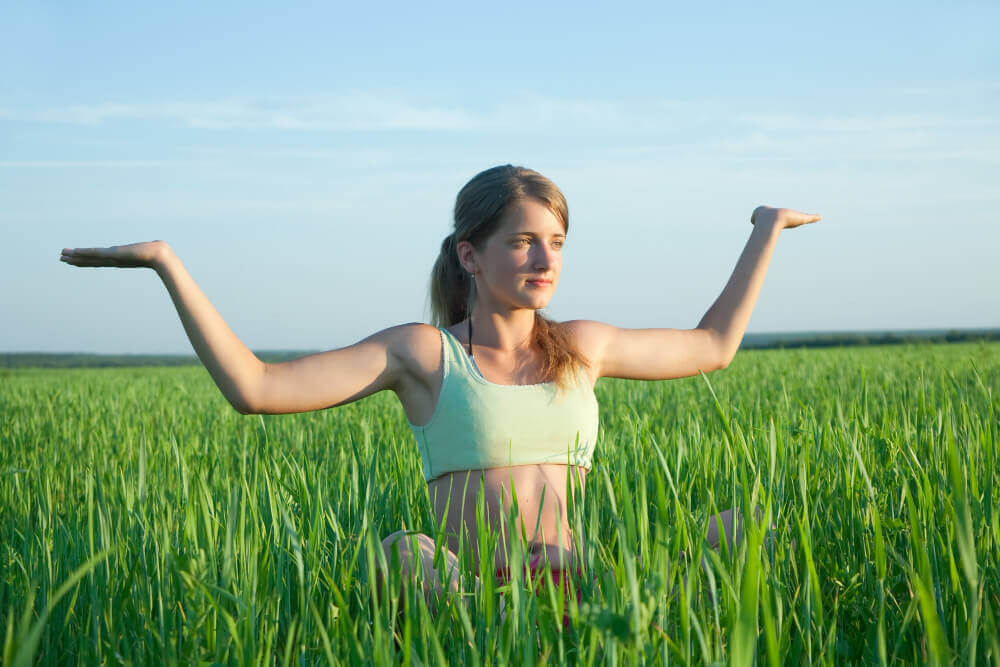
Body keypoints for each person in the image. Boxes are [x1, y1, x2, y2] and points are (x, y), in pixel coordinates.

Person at [60, 163, 820, 623]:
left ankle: (651, 637)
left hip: (583, 586)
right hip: (468, 595)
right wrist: (167, 263)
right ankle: (471, 645)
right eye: (523, 239)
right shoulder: (426, 354)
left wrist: (767, 228)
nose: (543, 257)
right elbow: (257, 388)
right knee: (404, 550)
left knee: (741, 523)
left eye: (555, 241)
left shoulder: (582, 348)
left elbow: (714, 346)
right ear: (471, 253)